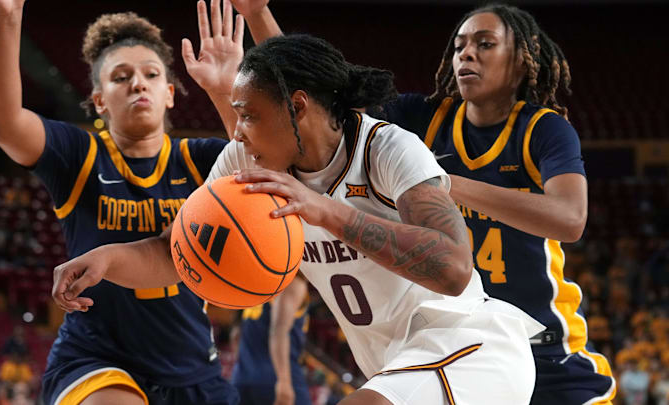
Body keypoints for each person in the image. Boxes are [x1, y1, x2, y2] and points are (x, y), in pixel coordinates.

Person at [53, 29, 545, 404]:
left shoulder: (388, 148)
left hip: (470, 346)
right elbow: (176, 250)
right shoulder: (247, 162)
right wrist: (106, 260)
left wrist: (329, 212)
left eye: (248, 114)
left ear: (298, 108)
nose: (237, 131)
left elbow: (455, 270)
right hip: (393, 367)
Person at [227, 2, 616, 403]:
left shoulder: (543, 128)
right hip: (448, 333)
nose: (466, 53)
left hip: (543, 346)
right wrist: (258, 15)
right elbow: (316, 104)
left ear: (521, 60)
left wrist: (442, 180)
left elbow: (570, 219)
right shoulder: (424, 118)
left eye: (485, 44)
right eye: (459, 45)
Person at [0, 0, 244, 403]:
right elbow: (5, 124)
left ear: (169, 94)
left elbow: (260, 168)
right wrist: (8, 17)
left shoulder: (201, 159)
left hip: (193, 367)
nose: (138, 83)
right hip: (98, 358)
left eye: (151, 75)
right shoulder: (79, 155)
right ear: (100, 100)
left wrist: (226, 92)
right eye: (121, 77)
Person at [232, 277, 311, 405]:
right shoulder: (292, 281)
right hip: (276, 378)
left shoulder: (262, 281)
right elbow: (278, 331)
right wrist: (284, 382)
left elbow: (235, 335)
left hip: (242, 377)